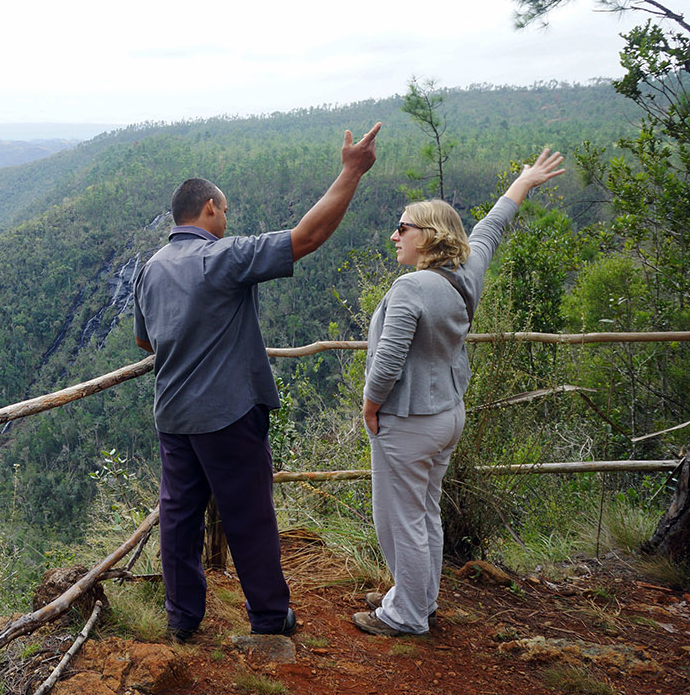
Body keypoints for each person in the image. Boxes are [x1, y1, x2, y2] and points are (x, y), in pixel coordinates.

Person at [133, 122, 381, 641]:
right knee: (248, 515)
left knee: (179, 519)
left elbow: (146, 342)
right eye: (224, 211)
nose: (227, 219)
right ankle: (269, 617)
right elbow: (307, 237)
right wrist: (351, 171)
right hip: (226, 415)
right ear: (207, 210)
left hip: (173, 417)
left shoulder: (150, 269)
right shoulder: (222, 258)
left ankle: (182, 620)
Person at [353, 148, 566, 637]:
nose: (395, 235)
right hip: (448, 414)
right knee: (425, 511)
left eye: (402, 227)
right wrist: (524, 182)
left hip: (407, 420)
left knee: (398, 519)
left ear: (427, 235)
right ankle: (419, 599)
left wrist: (370, 405)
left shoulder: (411, 289)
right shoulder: (466, 273)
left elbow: (388, 359)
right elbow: (491, 226)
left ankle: (404, 615)